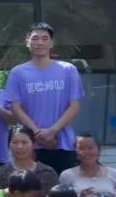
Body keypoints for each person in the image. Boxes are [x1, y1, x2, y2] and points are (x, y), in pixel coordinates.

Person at [5, 22, 83, 173]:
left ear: (51, 43)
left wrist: (53, 131)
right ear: (27, 42)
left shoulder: (68, 70)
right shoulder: (17, 73)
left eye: (44, 38)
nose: (40, 42)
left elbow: (74, 106)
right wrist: (36, 133)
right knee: (30, 186)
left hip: (63, 143)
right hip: (30, 145)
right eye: (35, 38)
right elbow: (15, 107)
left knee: (63, 186)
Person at [0, 124, 59, 197]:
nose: (20, 147)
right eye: (15, 142)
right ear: (8, 145)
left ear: (33, 144)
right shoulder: (1, 172)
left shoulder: (47, 173)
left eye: (24, 142)